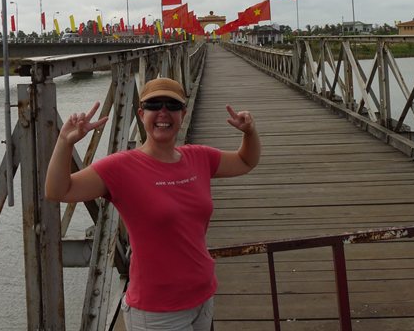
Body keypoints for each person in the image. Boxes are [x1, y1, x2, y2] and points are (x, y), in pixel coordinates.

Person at [45, 76, 261, 331]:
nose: (163, 112)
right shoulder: (121, 167)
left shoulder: (199, 157)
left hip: (203, 297)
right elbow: (59, 190)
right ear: (141, 113)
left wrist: (250, 132)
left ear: (183, 114)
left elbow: (245, 161)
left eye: (172, 105)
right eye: (154, 105)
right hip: (157, 311)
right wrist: (65, 142)